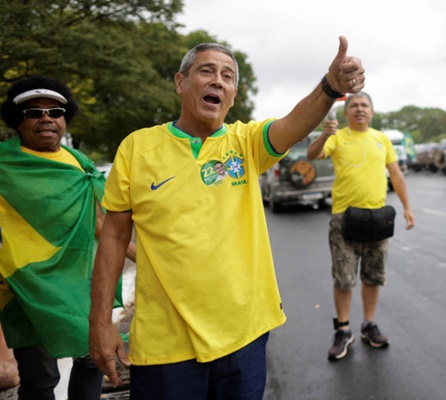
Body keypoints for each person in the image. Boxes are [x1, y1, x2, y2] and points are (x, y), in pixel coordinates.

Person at [89, 36, 365, 399]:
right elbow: (112, 236)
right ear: (180, 82)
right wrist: (100, 321)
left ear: (233, 94)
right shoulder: (137, 148)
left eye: (228, 76)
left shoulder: (246, 143)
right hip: (165, 345)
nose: (218, 80)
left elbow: (295, 123)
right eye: (206, 71)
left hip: (244, 337)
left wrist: (330, 86)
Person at [0, 76, 136, 399]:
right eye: (34, 112)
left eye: (55, 111)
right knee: (40, 377)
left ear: (64, 119)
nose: (46, 118)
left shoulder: (80, 164)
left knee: (93, 358)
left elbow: (102, 225)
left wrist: (148, 260)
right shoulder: (3, 164)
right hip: (26, 288)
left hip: (79, 285)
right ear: (19, 122)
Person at [306, 92, 415, 360]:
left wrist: (407, 207)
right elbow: (313, 154)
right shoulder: (337, 137)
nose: (359, 109)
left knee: (372, 275)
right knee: (344, 278)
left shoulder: (382, 139)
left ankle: (368, 324)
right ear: (346, 113)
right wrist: (323, 134)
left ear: (372, 112)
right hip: (345, 218)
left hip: (378, 218)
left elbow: (396, 173)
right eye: (353, 105)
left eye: (364, 105)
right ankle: (343, 330)